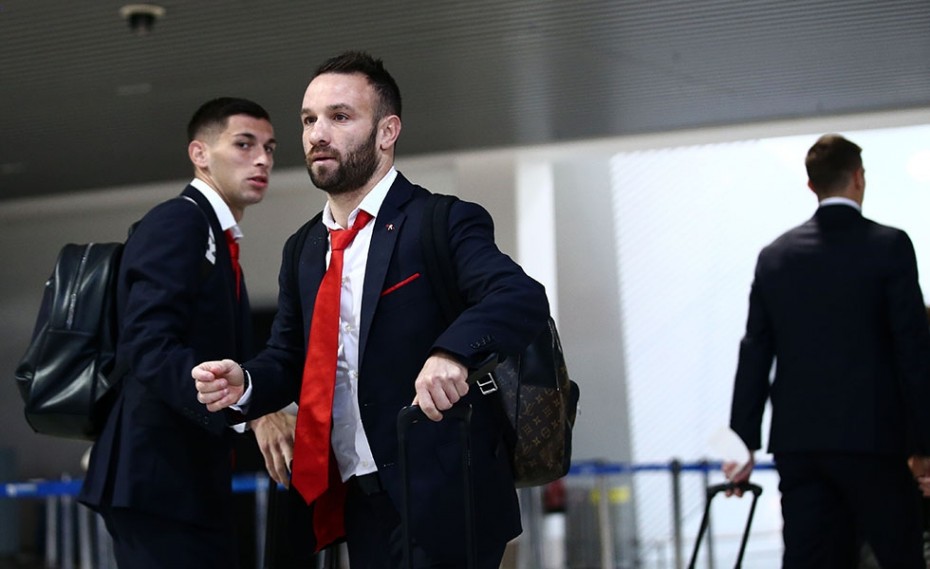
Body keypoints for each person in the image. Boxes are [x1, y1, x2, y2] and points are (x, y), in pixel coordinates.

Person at [192, 51, 549, 569]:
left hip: (446, 494)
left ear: (387, 132)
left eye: (339, 117)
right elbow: (289, 357)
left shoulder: (441, 220)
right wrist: (244, 383)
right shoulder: (304, 248)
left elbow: (518, 296)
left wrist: (451, 353)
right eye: (309, 120)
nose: (318, 134)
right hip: (358, 497)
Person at [78, 97, 276, 568]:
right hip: (158, 480)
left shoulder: (214, 234)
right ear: (199, 153)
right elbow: (148, 345)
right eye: (244, 144)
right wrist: (247, 410)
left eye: (269, 148)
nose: (263, 159)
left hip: (185, 480)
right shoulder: (180, 220)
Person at [725, 134, 930, 568]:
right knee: (900, 556)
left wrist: (743, 443)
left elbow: (755, 352)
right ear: (858, 178)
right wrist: (925, 444)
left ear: (811, 185)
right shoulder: (890, 247)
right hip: (875, 442)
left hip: (801, 447)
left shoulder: (775, 257)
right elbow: (912, 350)